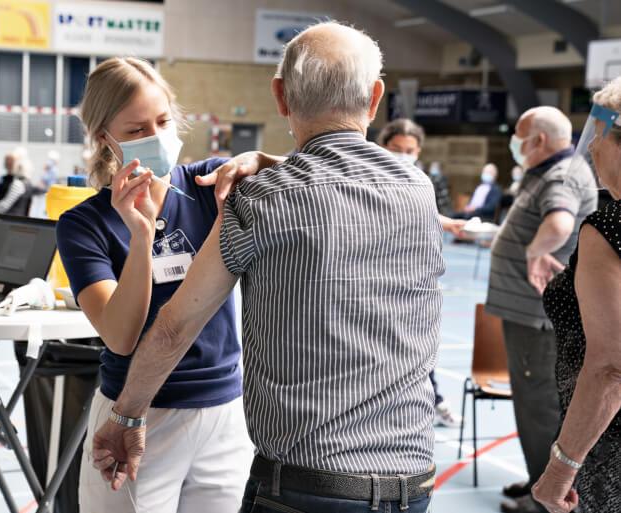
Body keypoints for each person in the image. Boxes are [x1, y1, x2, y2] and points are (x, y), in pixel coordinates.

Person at [90, 22, 442, 513]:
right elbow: (342, 174)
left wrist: (125, 418)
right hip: (412, 482)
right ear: (376, 96)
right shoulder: (418, 189)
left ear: (280, 96)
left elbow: (174, 328)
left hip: (307, 484)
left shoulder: (260, 199)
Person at [55, 57, 269, 513]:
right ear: (104, 139)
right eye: (135, 131)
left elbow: (320, 179)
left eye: (163, 121)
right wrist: (141, 235)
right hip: (137, 414)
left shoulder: (212, 185)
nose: (154, 137)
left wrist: (264, 159)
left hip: (224, 413)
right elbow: (120, 334)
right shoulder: (83, 225)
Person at [485, 106, 597, 513]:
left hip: (538, 318)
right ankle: (538, 480)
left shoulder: (562, 175)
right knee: (531, 404)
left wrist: (535, 250)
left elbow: (560, 224)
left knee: (539, 408)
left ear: (540, 141)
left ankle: (548, 500)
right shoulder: (548, 171)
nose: (515, 141)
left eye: (519, 134)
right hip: (528, 315)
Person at [532, 78, 621, 513]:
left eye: (599, 135)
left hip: (608, 447)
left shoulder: (607, 229)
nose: (590, 148)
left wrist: (561, 469)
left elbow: (610, 370)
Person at [378, 118, 462, 427]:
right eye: (396, 148)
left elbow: (422, 213)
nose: (402, 154)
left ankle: (434, 400)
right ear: (383, 146)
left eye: (409, 149)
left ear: (418, 151)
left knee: (416, 346)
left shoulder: (419, 180)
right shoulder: (368, 175)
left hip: (411, 281)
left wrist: (448, 223)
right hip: (375, 278)